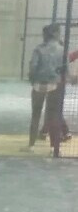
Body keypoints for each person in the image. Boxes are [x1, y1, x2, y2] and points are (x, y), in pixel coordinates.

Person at [27, 24, 64, 157]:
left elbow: (33, 67)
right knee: (53, 117)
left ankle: (31, 146)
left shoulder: (39, 49)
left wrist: (32, 80)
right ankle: (54, 148)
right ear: (56, 34)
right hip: (54, 85)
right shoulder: (62, 49)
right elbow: (64, 69)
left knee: (35, 115)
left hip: (38, 85)